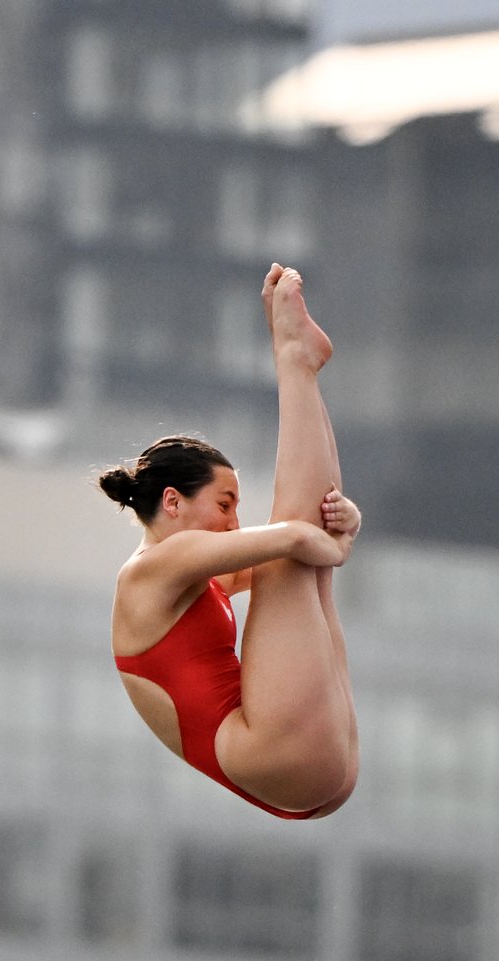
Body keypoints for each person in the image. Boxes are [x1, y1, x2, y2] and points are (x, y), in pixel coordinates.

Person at [99, 264, 360, 819]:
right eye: (224, 504)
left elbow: (298, 539)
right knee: (296, 557)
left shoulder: (190, 579)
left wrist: (341, 524)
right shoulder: (152, 569)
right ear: (173, 502)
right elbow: (295, 534)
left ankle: (300, 367)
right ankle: (293, 361)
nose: (235, 522)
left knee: (297, 567)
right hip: (274, 753)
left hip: (299, 769)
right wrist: (337, 544)